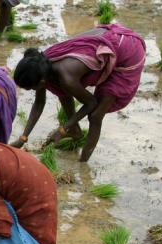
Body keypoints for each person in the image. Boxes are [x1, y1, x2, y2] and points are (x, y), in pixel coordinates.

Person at [11, 24, 146, 162]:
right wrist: (23, 138)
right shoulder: (40, 64)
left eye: (31, 88)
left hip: (128, 51)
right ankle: (75, 132)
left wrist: (63, 129)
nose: (32, 91)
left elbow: (91, 103)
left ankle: (83, 163)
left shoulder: (66, 77)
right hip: (103, 40)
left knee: (95, 116)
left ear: (41, 82)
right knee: (63, 92)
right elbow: (39, 103)